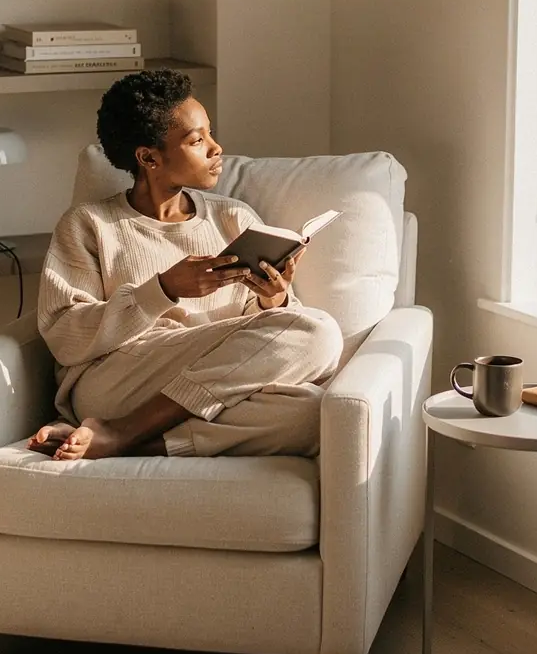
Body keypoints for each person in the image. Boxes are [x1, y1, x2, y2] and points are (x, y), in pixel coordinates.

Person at [28, 68, 343, 461]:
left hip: (208, 386)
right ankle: (122, 427)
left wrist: (274, 300)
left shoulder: (234, 218)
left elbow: (266, 340)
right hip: (118, 383)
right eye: (197, 140)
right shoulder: (88, 224)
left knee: (315, 413)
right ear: (149, 157)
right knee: (321, 330)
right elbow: (64, 335)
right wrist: (163, 290)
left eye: (210, 133)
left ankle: (129, 440)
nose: (216, 148)